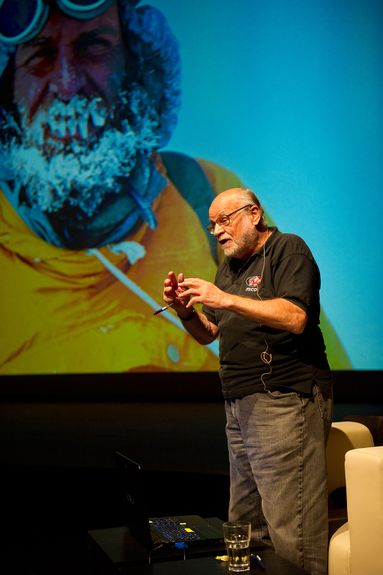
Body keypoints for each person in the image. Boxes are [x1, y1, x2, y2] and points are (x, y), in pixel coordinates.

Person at [0, 0, 244, 373]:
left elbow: (299, 367)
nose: (67, 85)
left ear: (137, 69)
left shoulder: (208, 195)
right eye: (40, 55)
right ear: (8, 92)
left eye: (93, 47)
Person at [162, 187, 333, 575]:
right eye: (212, 225)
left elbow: (295, 317)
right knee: (246, 527)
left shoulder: (288, 250)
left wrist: (225, 299)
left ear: (254, 214)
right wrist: (185, 312)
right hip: (239, 405)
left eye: (225, 220)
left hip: (284, 400)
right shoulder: (230, 268)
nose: (218, 231)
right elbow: (210, 332)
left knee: (293, 532)